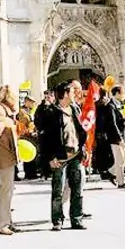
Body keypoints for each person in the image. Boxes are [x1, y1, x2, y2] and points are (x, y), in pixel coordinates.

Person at [36, 81, 86, 230]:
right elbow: (44, 138)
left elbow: (81, 130)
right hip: (60, 157)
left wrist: (84, 148)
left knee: (78, 189)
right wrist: (50, 158)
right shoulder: (51, 112)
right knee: (58, 190)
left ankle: (76, 218)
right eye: (71, 92)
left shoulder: (75, 109)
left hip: (75, 154)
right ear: (64, 94)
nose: (74, 94)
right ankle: (57, 219)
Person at [0, 84, 20, 235]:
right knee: (5, 189)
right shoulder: (0, 111)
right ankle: (2, 224)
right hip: (3, 155)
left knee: (7, 190)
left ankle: (8, 220)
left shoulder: (5, 111)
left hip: (7, 154)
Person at [96, 85, 125, 188]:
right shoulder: (111, 106)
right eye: (122, 93)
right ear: (117, 94)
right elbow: (112, 124)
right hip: (115, 137)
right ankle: (121, 182)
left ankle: (111, 173)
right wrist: (119, 138)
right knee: (120, 159)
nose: (124, 95)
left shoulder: (120, 105)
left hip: (122, 134)